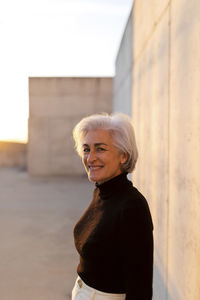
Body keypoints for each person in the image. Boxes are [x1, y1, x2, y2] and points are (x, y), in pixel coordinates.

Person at [71, 113, 154, 300]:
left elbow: (140, 285)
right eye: (86, 149)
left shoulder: (132, 206)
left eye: (100, 149)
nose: (90, 158)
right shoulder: (101, 192)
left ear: (123, 156)